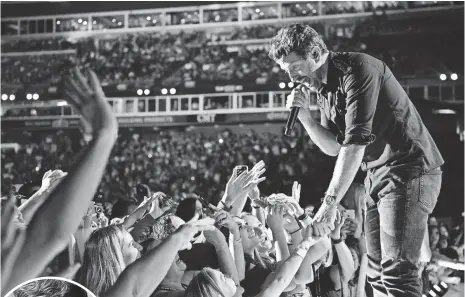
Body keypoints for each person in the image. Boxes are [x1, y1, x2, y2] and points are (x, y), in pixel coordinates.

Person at [271, 24, 444, 297]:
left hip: (408, 169)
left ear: (315, 53)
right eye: (285, 70)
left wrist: (330, 202)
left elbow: (354, 143)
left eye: (294, 66)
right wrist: (305, 117)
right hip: (377, 175)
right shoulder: (321, 90)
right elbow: (332, 147)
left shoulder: (358, 70)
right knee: (375, 270)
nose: (291, 76)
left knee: (398, 273)